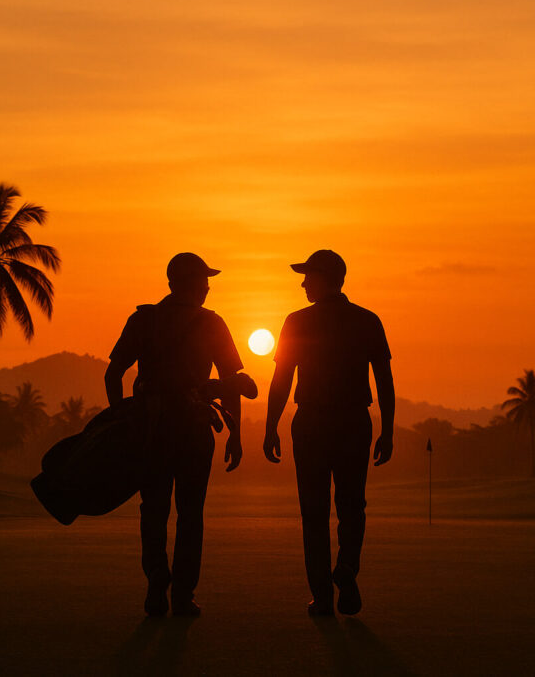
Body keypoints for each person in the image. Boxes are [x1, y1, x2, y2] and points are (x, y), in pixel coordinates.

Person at [105, 252, 244, 617]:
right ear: (191, 285)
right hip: (195, 428)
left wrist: (121, 417)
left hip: (150, 429)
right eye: (203, 281)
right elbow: (231, 383)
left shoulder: (144, 319)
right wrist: (236, 432)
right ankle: (182, 595)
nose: (208, 287)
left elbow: (113, 373)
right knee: (190, 513)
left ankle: (156, 580)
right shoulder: (213, 323)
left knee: (153, 509)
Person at [263, 249, 394, 616]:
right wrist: (388, 430)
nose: (303, 283)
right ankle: (347, 569)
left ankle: (322, 596)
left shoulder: (297, 321)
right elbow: (384, 381)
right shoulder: (366, 320)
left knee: (314, 512)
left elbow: (282, 379)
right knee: (353, 505)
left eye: (308, 276)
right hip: (355, 422)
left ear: (325, 278)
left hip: (313, 423)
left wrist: (271, 425)